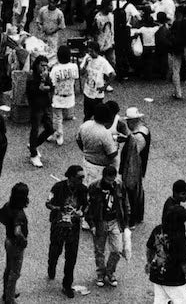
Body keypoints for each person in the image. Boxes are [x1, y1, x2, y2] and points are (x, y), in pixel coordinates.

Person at [147, 180, 186, 304]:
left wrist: (149, 263)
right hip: (174, 278)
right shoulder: (179, 238)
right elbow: (184, 262)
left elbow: (150, 248)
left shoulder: (158, 230)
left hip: (158, 274)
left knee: (160, 301)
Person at [47, 165, 88, 298]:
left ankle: (67, 284)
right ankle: (51, 266)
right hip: (58, 226)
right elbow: (48, 203)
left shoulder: (83, 189)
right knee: (55, 250)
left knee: (71, 257)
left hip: (73, 227)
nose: (82, 179)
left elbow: (86, 206)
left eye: (83, 177)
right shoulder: (58, 187)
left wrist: (80, 212)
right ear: (71, 177)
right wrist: (59, 209)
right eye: (79, 177)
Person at [88, 165, 130, 288]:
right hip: (100, 221)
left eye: (113, 180)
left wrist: (126, 223)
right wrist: (92, 225)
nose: (111, 183)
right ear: (103, 177)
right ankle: (101, 273)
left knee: (117, 250)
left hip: (115, 221)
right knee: (99, 250)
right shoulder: (94, 187)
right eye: (108, 180)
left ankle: (110, 271)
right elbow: (88, 207)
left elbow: (125, 203)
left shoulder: (119, 185)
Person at [0, 182, 30, 304]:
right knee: (15, 272)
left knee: (8, 268)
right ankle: (10, 299)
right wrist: (23, 240)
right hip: (16, 244)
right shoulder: (19, 213)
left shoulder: (8, 206)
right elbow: (17, 232)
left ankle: (7, 292)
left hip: (8, 240)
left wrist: (8, 225)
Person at [120, 106, 150, 228]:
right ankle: (138, 216)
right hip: (139, 166)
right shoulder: (144, 130)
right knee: (138, 192)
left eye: (128, 121)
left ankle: (132, 218)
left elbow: (132, 155)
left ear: (132, 121)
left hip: (133, 168)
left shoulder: (137, 137)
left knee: (131, 192)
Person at [27, 56, 55, 168]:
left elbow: (51, 87)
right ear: (36, 65)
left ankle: (33, 145)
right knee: (35, 129)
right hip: (36, 107)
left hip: (46, 105)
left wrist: (46, 85)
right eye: (41, 65)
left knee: (50, 129)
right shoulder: (31, 77)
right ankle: (33, 154)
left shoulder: (46, 75)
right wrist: (42, 83)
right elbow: (32, 91)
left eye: (45, 65)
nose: (44, 68)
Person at [49, 45, 79, 146]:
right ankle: (56, 133)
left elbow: (51, 83)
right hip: (70, 96)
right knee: (65, 115)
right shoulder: (74, 67)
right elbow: (76, 78)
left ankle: (58, 134)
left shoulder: (55, 69)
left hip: (58, 96)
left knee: (57, 117)